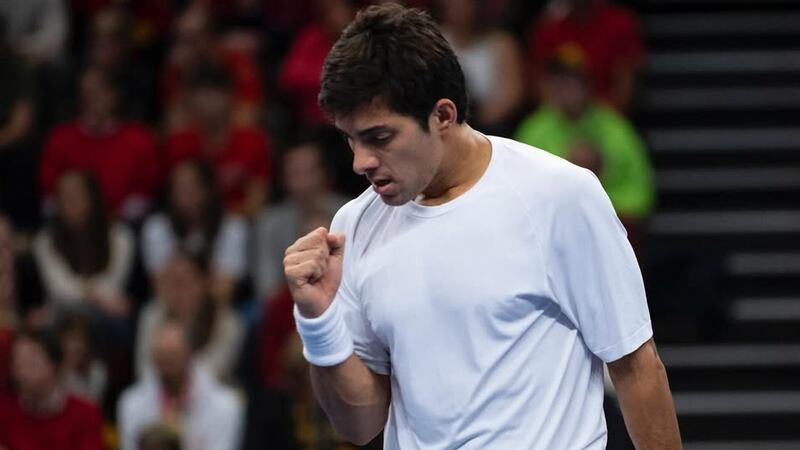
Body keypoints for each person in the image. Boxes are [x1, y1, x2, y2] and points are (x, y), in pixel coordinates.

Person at [283, 4, 681, 449]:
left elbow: (637, 367)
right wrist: (319, 321)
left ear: (443, 116)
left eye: (380, 138)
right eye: (350, 140)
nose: (361, 163)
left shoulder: (559, 195)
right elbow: (359, 425)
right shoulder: (353, 225)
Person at [515, 50, 654, 250]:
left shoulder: (616, 128)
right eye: (559, 81)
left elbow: (640, 193)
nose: (566, 89)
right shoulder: (534, 130)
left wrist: (598, 206)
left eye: (573, 81)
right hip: (551, 229)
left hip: (607, 228)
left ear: (588, 84)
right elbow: (520, 192)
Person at [38, 66, 160, 221]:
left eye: (96, 94)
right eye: (84, 95)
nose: (89, 102)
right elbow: (49, 195)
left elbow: (146, 192)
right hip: (69, 225)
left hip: (125, 227)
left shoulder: (138, 140)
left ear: (113, 96)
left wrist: (115, 217)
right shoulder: (60, 138)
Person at [165, 63, 272, 218]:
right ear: (189, 100)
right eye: (201, 95)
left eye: (214, 94)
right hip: (188, 222)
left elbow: (257, 200)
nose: (208, 104)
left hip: (240, 225)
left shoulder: (253, 140)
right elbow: (175, 197)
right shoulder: (178, 143)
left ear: (231, 97)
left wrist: (225, 223)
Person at [119, 320, 243, 450]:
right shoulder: (131, 403)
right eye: (162, 357)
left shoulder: (225, 406)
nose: (167, 367)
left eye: (173, 356)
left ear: (189, 354)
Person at [252, 136, 348, 301]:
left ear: (326, 173)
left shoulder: (348, 212)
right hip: (287, 304)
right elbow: (266, 287)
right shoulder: (269, 222)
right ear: (283, 178)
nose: (303, 182)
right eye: (295, 173)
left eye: (309, 172)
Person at [142, 160, 247, 306]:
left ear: (207, 190)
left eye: (190, 186)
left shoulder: (233, 227)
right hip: (171, 306)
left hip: (214, 308)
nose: (184, 194)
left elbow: (225, 290)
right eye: (178, 187)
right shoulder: (156, 228)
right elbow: (160, 287)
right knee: (151, 314)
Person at [32, 171, 134, 320]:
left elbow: (113, 286)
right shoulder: (44, 241)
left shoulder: (120, 236)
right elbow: (59, 290)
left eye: (77, 196)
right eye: (64, 198)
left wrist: (88, 295)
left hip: (107, 316)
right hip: (64, 315)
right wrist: (92, 295)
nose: (71, 203)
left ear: (93, 197)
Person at [135, 253, 244, 382]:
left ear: (205, 283)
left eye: (184, 282)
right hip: (158, 394)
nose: (176, 291)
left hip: (209, 396)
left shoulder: (229, 323)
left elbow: (216, 371)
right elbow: (143, 370)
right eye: (171, 282)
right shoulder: (152, 315)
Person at [526, 0, 645, 111]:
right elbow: (539, 85)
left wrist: (594, 118)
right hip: (557, 117)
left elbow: (624, 90)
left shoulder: (620, 24)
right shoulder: (548, 28)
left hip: (607, 116)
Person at [0, 328, 104, 450]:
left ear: (55, 365)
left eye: (31, 362)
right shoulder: (4, 410)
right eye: (17, 363)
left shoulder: (85, 414)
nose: (21, 371)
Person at [437, 0, 526, 136]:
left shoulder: (502, 43)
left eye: (465, 3)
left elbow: (512, 94)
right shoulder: (435, 39)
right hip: (443, 120)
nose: (459, 8)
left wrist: (474, 121)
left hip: (489, 126)